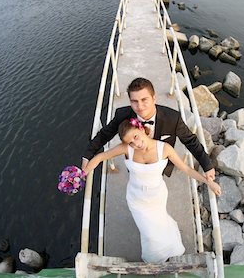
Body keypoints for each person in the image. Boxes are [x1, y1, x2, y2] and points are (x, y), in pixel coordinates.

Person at [83, 118, 222, 263]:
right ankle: (154, 261)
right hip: (136, 199)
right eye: (130, 142)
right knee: (149, 234)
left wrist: (208, 182)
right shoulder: (126, 149)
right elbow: (100, 157)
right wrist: (83, 173)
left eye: (135, 137)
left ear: (142, 129)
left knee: (160, 222)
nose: (135, 144)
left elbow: (186, 168)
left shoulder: (165, 149)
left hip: (157, 196)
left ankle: (171, 248)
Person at [82, 77, 215, 180]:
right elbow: (105, 134)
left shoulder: (172, 118)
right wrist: (87, 156)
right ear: (130, 101)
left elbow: (190, 141)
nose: (139, 106)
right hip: (136, 166)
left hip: (160, 166)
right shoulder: (122, 115)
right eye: (134, 101)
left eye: (144, 99)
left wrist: (207, 166)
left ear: (154, 98)